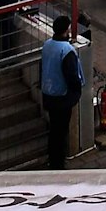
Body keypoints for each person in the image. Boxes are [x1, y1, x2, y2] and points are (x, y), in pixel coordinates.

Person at [39, 15, 85, 169]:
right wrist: (75, 94)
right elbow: (72, 76)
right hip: (62, 98)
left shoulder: (47, 45)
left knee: (54, 131)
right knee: (61, 132)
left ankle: (53, 161)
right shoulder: (66, 51)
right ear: (67, 30)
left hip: (48, 95)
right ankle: (58, 165)